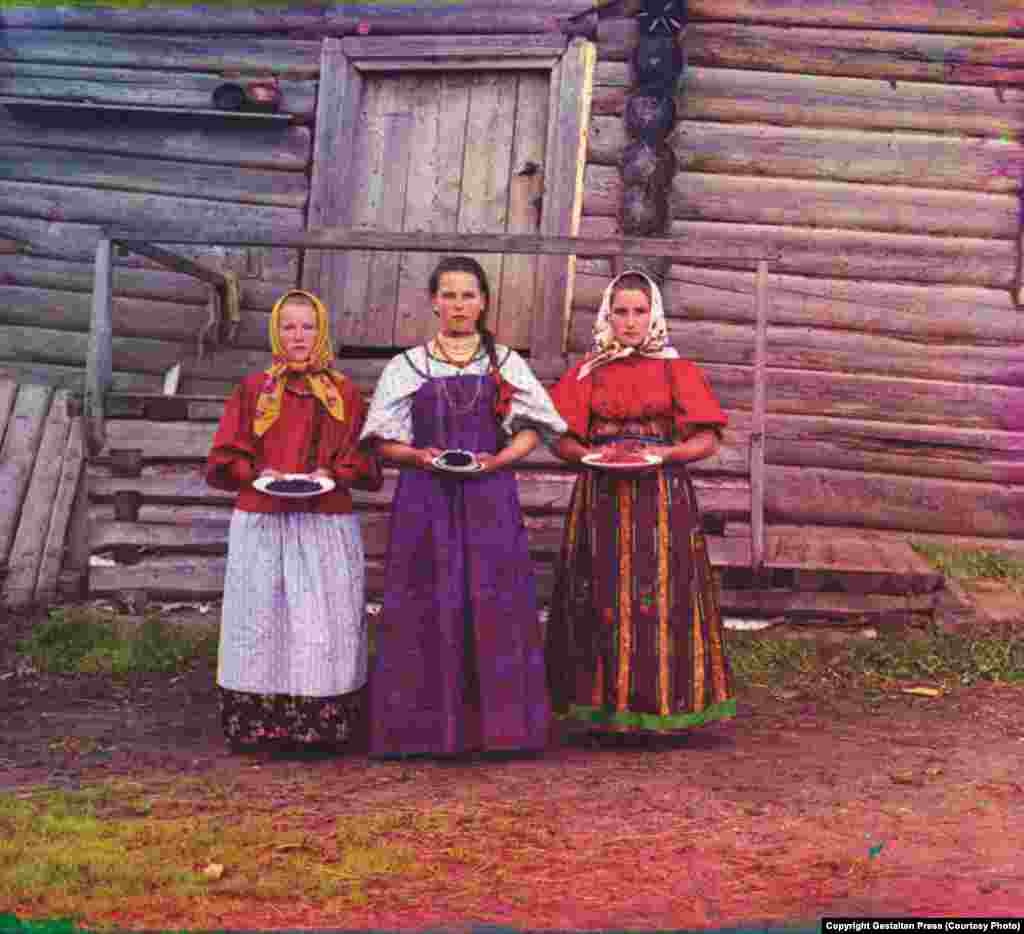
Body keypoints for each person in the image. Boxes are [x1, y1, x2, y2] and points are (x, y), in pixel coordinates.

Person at [361, 256, 568, 758]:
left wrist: (499, 460)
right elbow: (382, 440)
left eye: (468, 295)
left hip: (488, 498)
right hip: (425, 500)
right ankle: (422, 732)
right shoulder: (406, 366)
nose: (458, 305)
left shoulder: (505, 364)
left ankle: (500, 732)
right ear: (433, 302)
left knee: (493, 600)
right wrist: (418, 455)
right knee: (426, 600)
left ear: (484, 302)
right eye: (449, 295)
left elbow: (534, 428)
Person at [545, 269, 735, 734]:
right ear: (607, 315)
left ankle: (664, 705)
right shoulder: (587, 371)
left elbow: (706, 439)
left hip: (661, 500)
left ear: (654, 315)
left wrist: (665, 454)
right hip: (601, 499)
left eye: (640, 311)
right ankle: (599, 711)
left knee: (663, 594)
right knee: (601, 591)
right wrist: (590, 454)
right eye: (621, 312)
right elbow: (559, 439)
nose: (630, 322)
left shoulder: (676, 369)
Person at [206, 289, 381, 754]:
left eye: (307, 327)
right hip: (263, 522)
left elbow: (361, 455)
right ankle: (259, 725)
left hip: (323, 523)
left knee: (323, 619)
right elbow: (228, 452)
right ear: (276, 333)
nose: (298, 336)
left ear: (321, 331)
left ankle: (322, 724)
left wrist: (331, 473)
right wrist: (258, 473)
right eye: (289, 327)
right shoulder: (253, 390)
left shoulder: (342, 393)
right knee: (261, 617)